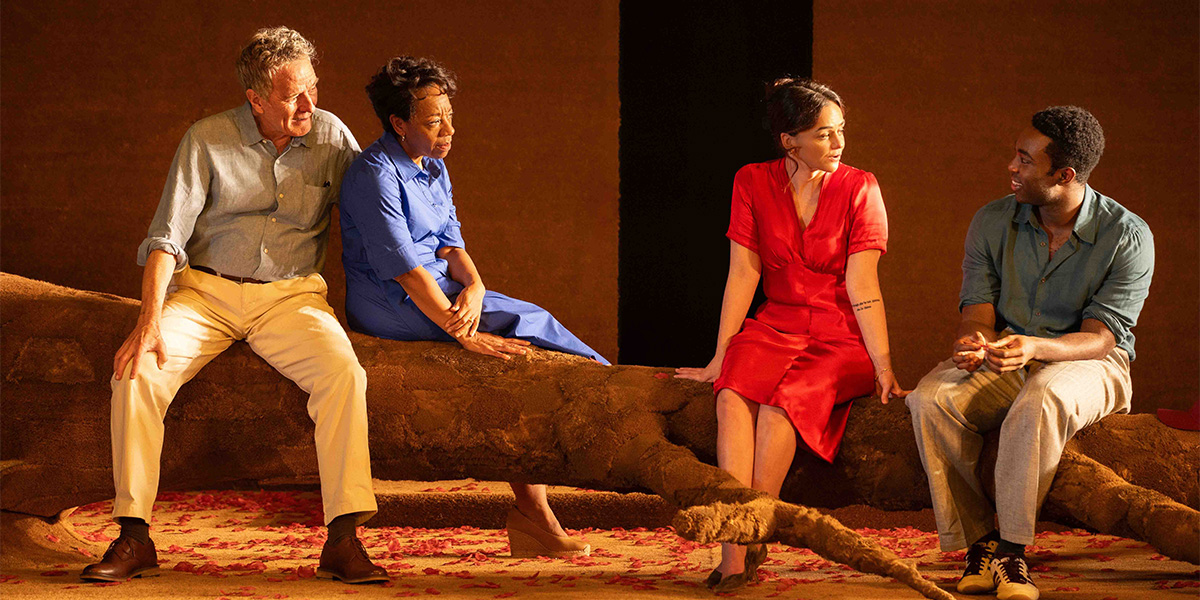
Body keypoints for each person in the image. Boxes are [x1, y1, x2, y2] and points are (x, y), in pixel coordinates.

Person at [82, 27, 388, 585]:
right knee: (136, 374)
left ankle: (343, 539)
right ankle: (133, 535)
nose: (309, 104)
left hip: (291, 296)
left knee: (344, 374)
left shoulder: (331, 135)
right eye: (293, 95)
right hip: (204, 293)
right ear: (255, 99)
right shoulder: (206, 139)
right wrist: (148, 319)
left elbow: (379, 210)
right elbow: (166, 238)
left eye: (313, 88)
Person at [338, 56, 600, 558]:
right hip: (390, 300)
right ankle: (602, 389)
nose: (448, 131)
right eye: (434, 122)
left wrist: (476, 288)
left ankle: (536, 512)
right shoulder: (374, 175)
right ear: (399, 124)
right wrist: (464, 332)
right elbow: (407, 271)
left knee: (528, 325)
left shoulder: (432, 167)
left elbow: (450, 246)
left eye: (449, 116)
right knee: (526, 328)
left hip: (436, 289)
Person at [906, 106, 1153, 600]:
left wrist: (1036, 347)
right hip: (1010, 352)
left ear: (1065, 175)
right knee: (930, 398)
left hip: (1093, 363)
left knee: (1041, 395)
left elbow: (1102, 336)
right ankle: (980, 545)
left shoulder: (1127, 235)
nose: (1012, 168)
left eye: (1024, 160)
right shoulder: (992, 220)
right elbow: (978, 311)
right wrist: (973, 342)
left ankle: (1013, 553)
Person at [676, 78, 906, 592]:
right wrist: (719, 355)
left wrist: (884, 365)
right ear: (789, 140)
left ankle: (755, 524)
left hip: (841, 332)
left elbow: (863, 282)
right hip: (776, 322)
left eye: (840, 131)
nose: (839, 143)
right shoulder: (752, 181)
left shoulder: (860, 186)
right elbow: (743, 273)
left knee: (785, 402)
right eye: (825, 134)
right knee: (732, 394)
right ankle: (735, 548)